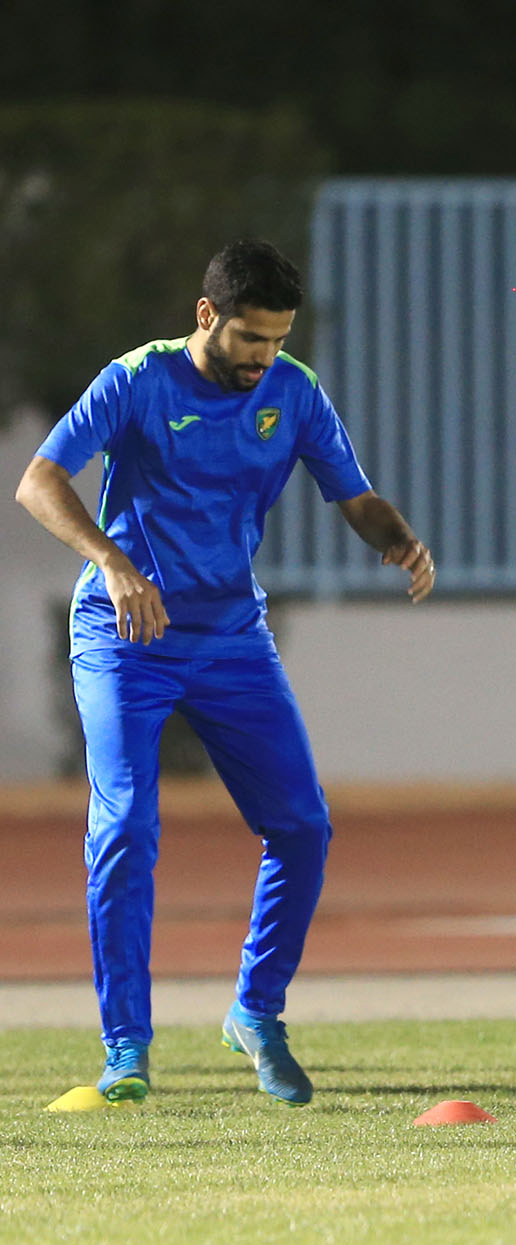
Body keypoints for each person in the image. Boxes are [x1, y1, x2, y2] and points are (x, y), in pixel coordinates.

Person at [13, 239, 435, 1106]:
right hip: (125, 634)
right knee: (126, 828)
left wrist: (396, 537)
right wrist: (112, 563)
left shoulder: (294, 391)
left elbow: (354, 496)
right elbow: (39, 480)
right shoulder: (139, 379)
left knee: (303, 827)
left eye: (278, 339)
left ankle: (256, 1012)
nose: (264, 357)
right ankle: (125, 1047)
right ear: (207, 316)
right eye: (251, 337)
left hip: (231, 637)